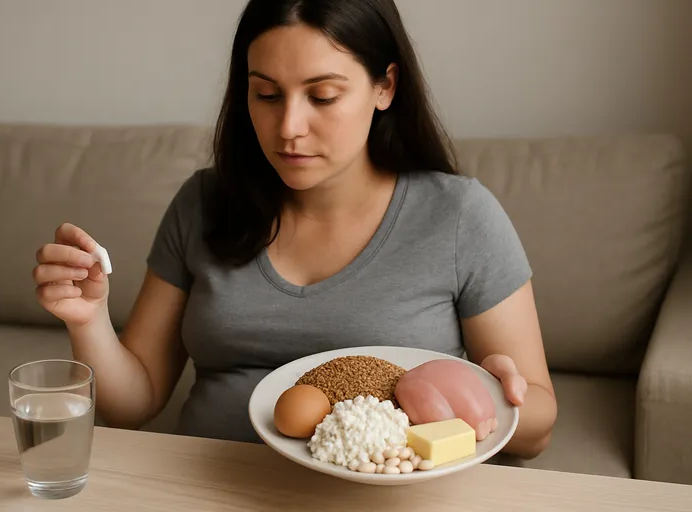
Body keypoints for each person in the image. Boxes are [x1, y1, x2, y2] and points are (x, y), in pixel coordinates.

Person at [32, 0, 557, 459]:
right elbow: (135, 403)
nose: (288, 128)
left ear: (385, 87)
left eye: (323, 96)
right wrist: (88, 320)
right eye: (266, 95)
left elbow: (535, 431)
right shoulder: (204, 202)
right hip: (200, 483)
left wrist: (490, 395)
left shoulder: (460, 215)